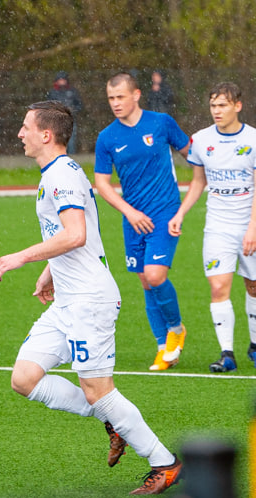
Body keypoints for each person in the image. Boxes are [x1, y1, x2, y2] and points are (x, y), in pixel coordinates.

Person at [0, 100, 181, 495]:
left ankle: (165, 462)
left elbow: (75, 233)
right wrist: (49, 272)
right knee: (24, 378)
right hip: (67, 300)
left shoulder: (61, 175)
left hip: (88, 301)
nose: (20, 134)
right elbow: (73, 235)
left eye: (25, 127)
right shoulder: (57, 172)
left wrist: (23, 257)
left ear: (46, 134)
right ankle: (111, 420)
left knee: (99, 391)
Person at [94, 72, 190, 371]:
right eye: (111, 98)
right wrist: (129, 212)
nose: (115, 103)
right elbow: (102, 183)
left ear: (136, 94)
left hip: (164, 212)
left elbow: (194, 155)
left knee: (156, 275)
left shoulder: (161, 122)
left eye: (120, 96)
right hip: (133, 219)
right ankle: (163, 348)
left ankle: (176, 329)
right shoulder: (107, 137)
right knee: (146, 284)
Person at [169, 82, 256, 372]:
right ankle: (227, 355)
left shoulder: (254, 140)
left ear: (238, 106)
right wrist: (181, 213)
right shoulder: (200, 140)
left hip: (250, 220)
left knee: (253, 286)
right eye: (213, 105)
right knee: (218, 285)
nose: (217, 111)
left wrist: (253, 228)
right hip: (218, 224)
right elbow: (198, 182)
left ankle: (254, 345)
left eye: (223, 105)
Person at [46, 72, 82, 154]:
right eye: (60, 80)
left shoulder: (73, 91)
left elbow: (79, 105)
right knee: (57, 138)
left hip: (70, 119)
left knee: (71, 139)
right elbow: (49, 105)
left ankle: (71, 154)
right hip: (56, 120)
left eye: (63, 80)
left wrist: (73, 111)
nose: (62, 82)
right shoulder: (52, 93)